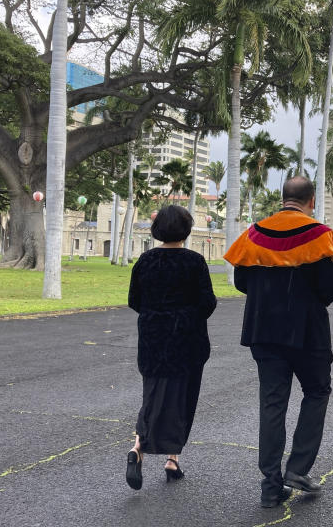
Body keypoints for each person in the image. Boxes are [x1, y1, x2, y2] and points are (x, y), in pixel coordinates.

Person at [224, 176, 333, 508]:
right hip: (308, 333)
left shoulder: (254, 234)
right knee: (317, 392)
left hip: (264, 331)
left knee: (272, 403)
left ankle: (270, 487)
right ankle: (298, 468)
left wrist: (269, 294)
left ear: (282, 199)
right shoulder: (321, 236)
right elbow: (330, 290)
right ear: (312, 201)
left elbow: (241, 281)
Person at [125, 204, 217, 490]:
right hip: (187, 340)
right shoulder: (194, 262)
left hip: (153, 338)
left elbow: (134, 300)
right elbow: (207, 303)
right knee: (183, 398)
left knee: (153, 393)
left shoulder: (145, 261)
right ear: (186, 230)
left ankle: (138, 445)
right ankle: (172, 459)